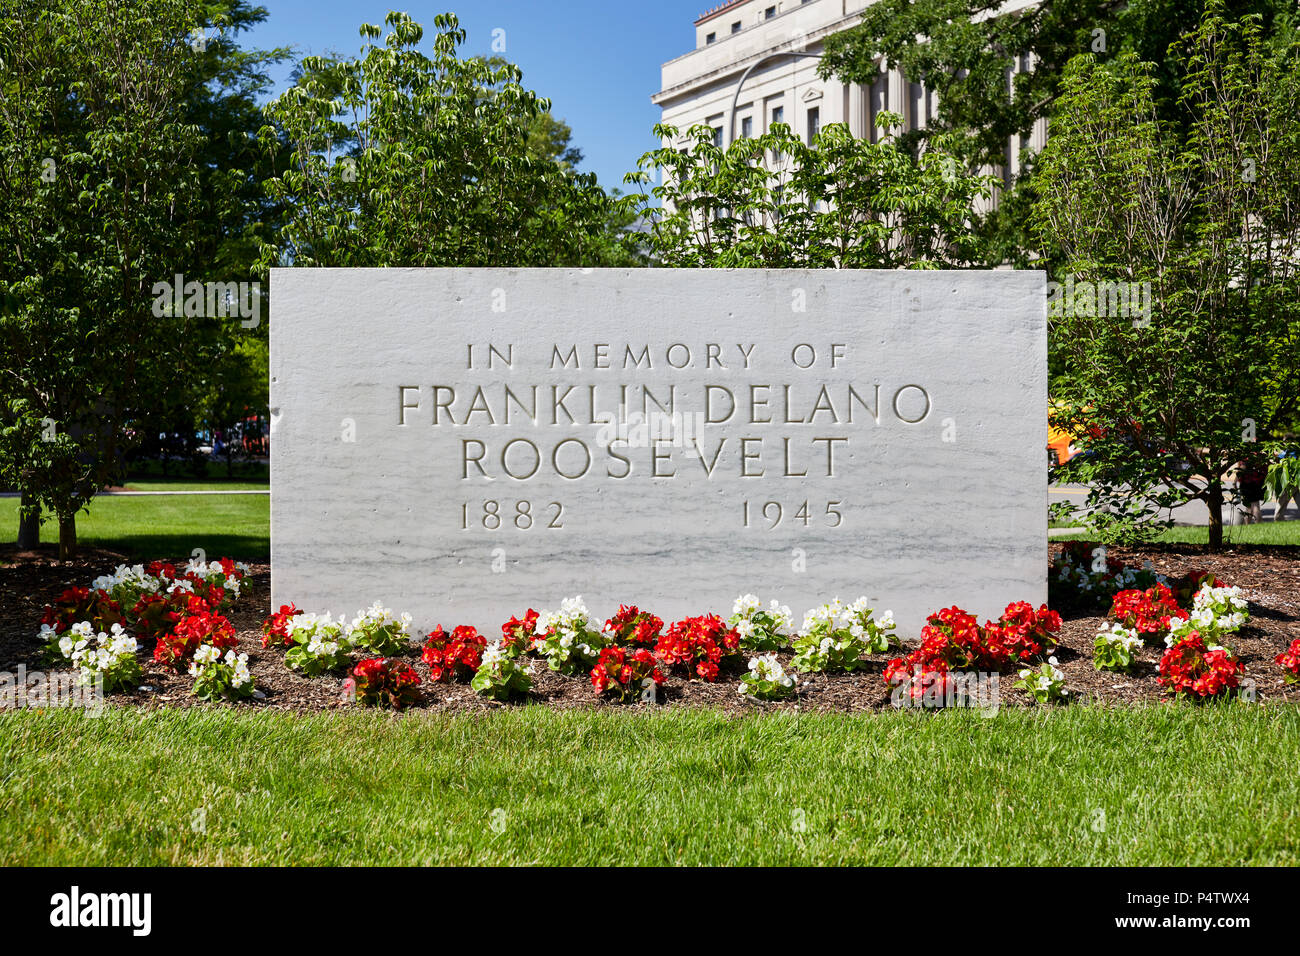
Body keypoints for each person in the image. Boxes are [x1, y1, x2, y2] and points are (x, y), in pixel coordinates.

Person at [1236, 457, 1267, 524]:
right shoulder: (1259, 456)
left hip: (1247, 484)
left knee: (1250, 506)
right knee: (1253, 505)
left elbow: (1241, 468)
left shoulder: (1246, 456)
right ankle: (1256, 522)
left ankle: (1251, 523)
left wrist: (1235, 481)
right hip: (1258, 483)